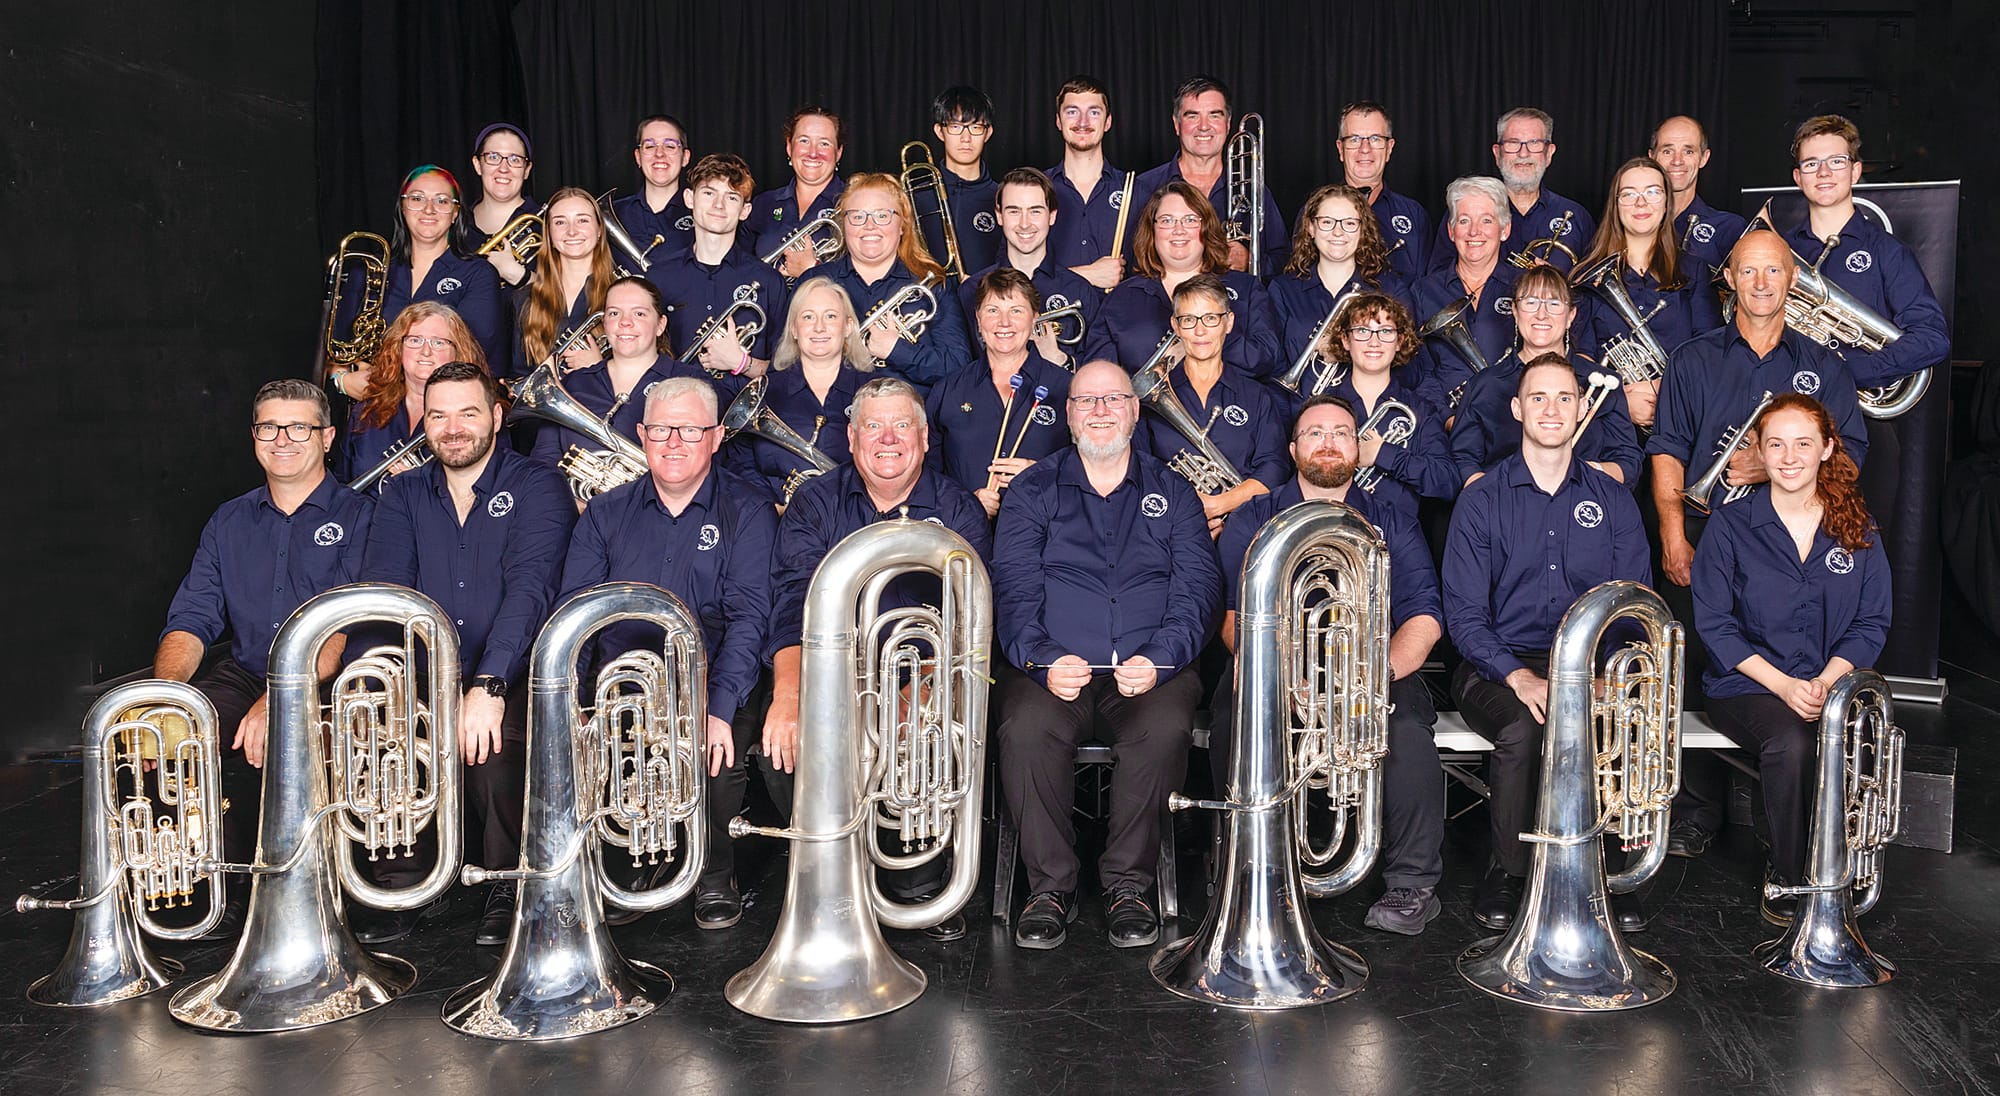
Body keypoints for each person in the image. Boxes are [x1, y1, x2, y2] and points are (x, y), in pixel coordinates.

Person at [1650, 228, 1870, 859]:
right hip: (1702, 535)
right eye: (1749, 271)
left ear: (1792, 281)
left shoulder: (1824, 366)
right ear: (1731, 280)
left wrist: (1768, 466)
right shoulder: (1693, 358)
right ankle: (1695, 810)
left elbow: (1849, 455)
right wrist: (1671, 533)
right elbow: (1666, 450)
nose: (1762, 282)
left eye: (1774, 271)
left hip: (1789, 543)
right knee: (1691, 673)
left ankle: (1790, 823)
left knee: (1772, 662)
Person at [992, 360, 1223, 950]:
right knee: (1022, 729)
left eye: (1113, 399)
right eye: (1087, 401)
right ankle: (1050, 887)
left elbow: (1198, 589)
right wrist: (1042, 659)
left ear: (1134, 410)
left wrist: (1162, 657)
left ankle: (1128, 885)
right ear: (1067, 414)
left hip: (1150, 670)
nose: (1100, 411)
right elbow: (1012, 589)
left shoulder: (1174, 493)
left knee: (1165, 728)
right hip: (1053, 672)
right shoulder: (1032, 491)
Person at [764, 377, 993, 941]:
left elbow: (973, 624)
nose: (887, 439)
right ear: (851, 437)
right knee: (782, 752)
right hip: (834, 680)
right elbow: (791, 600)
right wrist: (789, 698)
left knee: (932, 738)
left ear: (924, 438)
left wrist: (918, 699)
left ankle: (916, 872)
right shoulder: (816, 502)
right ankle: (835, 877)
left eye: (901, 426)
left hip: (932, 677)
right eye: (873, 426)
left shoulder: (956, 508)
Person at [360, 362, 576, 946]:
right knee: (383, 730)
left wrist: (488, 682)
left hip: (517, 668)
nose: (453, 428)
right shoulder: (402, 494)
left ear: (497, 417)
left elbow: (530, 588)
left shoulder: (537, 485)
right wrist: (413, 693)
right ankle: (406, 883)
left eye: (468, 412)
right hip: (427, 669)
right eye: (438, 415)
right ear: (423, 422)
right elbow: (389, 592)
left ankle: (508, 884)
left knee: (496, 743)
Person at [1214, 394, 1444, 934]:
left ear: (1358, 448)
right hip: (1274, 663)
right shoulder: (1256, 516)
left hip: (1373, 665)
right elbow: (1227, 617)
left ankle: (1412, 884)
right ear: (1294, 449)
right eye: (1315, 432)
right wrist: (1280, 674)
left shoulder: (1393, 520)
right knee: (1235, 722)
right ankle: (1242, 869)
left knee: (1407, 732)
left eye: (1341, 432)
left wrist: (1376, 674)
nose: (1328, 442)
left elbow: (1426, 616)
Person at [155, 379, 374, 937]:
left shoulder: (365, 517)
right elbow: (192, 619)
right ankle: (208, 891)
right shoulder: (229, 521)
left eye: (298, 427)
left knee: (279, 739)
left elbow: (343, 631)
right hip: (248, 668)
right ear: (254, 437)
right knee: (171, 736)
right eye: (269, 427)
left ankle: (306, 894)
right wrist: (166, 700)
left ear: (327, 437)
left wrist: (282, 695)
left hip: (328, 679)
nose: (282, 439)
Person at [557, 377, 776, 929]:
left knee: (716, 758)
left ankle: (713, 871)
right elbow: (575, 614)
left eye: (690, 429)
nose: (673, 442)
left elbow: (750, 618)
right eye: (659, 429)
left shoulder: (748, 512)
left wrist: (720, 708)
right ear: (641, 434)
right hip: (624, 680)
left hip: (718, 671)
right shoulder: (605, 514)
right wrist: (571, 702)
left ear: (717, 436)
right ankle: (634, 860)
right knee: (597, 745)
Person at [1443, 356, 1650, 932]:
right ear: (1517, 410)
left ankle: (1612, 871)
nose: (1552, 409)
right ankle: (1509, 871)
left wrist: (1609, 672)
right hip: (1497, 666)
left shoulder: (1613, 500)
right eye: (1539, 398)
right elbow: (1464, 615)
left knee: (1622, 719)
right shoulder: (1482, 500)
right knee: (1524, 729)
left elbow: (1632, 603)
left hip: (1593, 663)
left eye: (1565, 397)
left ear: (1583, 408)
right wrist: (1517, 676)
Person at [1691, 392, 1891, 924]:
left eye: (1803, 443)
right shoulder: (1730, 527)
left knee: (1841, 737)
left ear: (1827, 448)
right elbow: (1715, 625)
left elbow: (1871, 622)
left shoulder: (1858, 527)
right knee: (1790, 742)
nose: (1789, 456)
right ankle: (1791, 875)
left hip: (1830, 682)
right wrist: (1782, 686)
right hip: (1745, 686)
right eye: (1775, 444)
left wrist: (1826, 680)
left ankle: (1839, 863)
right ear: (1757, 450)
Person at [1781, 114, 1951, 523]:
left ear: (1855, 171)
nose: (1823, 173)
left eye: (1836, 161)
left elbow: (1933, 337)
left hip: (1861, 426)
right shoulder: (1779, 253)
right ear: (1797, 177)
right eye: (1811, 164)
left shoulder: (1888, 253)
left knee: (1859, 555)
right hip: (1784, 425)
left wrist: (1850, 371)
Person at [530, 277, 741, 497]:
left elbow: (711, 469)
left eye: (639, 313)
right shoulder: (574, 384)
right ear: (605, 324)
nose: (625, 322)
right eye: (614, 313)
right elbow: (545, 461)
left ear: (660, 325)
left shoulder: (694, 385)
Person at [1570, 157, 1725, 432]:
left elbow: (1710, 351)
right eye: (1629, 194)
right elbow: (1578, 361)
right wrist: (1619, 399)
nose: (1641, 203)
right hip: (1607, 429)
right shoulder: (1586, 277)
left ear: (1667, 203)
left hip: (1682, 422)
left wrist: (1661, 388)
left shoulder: (1695, 271)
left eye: (1652, 192)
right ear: (1615, 205)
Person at [1448, 265, 1641, 486]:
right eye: (1531, 302)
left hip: (1584, 505)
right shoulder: (1484, 385)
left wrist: (1585, 473)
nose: (1542, 314)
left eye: (1554, 303)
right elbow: (1462, 460)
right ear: (1515, 311)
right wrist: (1494, 499)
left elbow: (1629, 463)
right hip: (1505, 511)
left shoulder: (1603, 383)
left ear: (1571, 316)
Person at [1135, 274, 1286, 533]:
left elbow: (1274, 468)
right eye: (1189, 320)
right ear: (1175, 325)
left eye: (1211, 318)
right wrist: (1187, 515)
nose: (1200, 331)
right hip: (1168, 532)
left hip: (1244, 531)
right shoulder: (1150, 400)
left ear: (1228, 322)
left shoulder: (1255, 395)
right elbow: (1139, 472)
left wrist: (1217, 505)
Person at [1088, 181, 1281, 380]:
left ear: (1206, 227)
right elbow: (1099, 376)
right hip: (1144, 411)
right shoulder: (1121, 298)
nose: (1178, 230)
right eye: (1166, 220)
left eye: (1190, 220)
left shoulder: (1247, 289)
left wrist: (1212, 333)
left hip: (1229, 406)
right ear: (1152, 230)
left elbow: (1268, 359)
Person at [926, 268, 1074, 517]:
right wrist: (965, 503)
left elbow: (1093, 468)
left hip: (1046, 539)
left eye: (1016, 311)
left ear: (1035, 318)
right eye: (993, 310)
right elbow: (925, 476)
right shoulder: (947, 391)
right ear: (978, 319)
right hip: (968, 538)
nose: (1004, 322)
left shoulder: (1067, 388)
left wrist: (1043, 474)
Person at [1300, 292, 1461, 501]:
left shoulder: (1420, 410)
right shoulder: (1321, 409)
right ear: (1345, 340)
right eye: (1362, 331)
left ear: (1399, 341)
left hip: (1398, 532)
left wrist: (1384, 454)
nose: (1374, 342)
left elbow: (1448, 482)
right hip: (1332, 528)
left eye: (1385, 331)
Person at [727, 277, 872, 507]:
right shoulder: (764, 392)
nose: (819, 327)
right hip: (775, 520)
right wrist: (769, 507)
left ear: (848, 326)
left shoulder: (876, 392)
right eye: (808, 317)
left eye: (831, 316)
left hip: (856, 516)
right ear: (794, 329)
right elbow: (741, 464)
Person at [818, 173, 971, 389]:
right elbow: (787, 364)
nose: (869, 226)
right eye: (857, 216)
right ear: (844, 224)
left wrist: (896, 349)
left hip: (912, 417)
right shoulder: (816, 282)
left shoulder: (933, 285)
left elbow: (958, 368)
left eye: (882, 216)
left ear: (902, 225)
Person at [346, 164, 505, 367]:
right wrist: (342, 379)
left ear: (455, 213)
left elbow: (473, 354)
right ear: (402, 207)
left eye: (442, 201)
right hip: (368, 397)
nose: (429, 209)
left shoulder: (478, 274)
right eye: (417, 199)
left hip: (445, 395)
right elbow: (336, 349)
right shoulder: (367, 270)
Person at [646, 153, 790, 377]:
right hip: (676, 407)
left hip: (747, 409)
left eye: (732, 197)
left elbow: (787, 373)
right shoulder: (658, 277)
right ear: (689, 199)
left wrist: (741, 362)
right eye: (708, 193)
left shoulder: (768, 281)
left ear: (745, 211)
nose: (718, 205)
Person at [1132, 76, 1287, 276]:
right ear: (1176, 124)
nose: (1204, 126)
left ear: (1228, 123)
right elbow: (1131, 261)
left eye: (1215, 115)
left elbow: (1283, 258)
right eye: (1192, 116)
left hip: (1235, 303)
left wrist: (1250, 260)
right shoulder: (1144, 187)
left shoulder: (1253, 189)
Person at [1269, 185, 1412, 396]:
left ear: (1363, 230)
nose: (1338, 232)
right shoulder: (1283, 290)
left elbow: (1410, 367)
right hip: (1299, 413)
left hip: (1368, 412)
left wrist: (1342, 348)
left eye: (1349, 223)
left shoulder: (1390, 289)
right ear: (1310, 227)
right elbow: (1272, 365)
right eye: (1327, 222)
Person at [955, 167, 1102, 363]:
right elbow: (961, 368)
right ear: (999, 216)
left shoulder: (1080, 291)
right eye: (1014, 211)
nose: (1025, 224)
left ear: (1052, 216)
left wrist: (1059, 359)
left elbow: (1096, 375)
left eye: (1035, 211)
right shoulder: (971, 290)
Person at [335, 301, 487, 484]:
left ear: (457, 351)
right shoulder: (366, 412)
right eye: (415, 340)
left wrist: (423, 485)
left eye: (438, 342)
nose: (425, 352)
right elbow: (342, 484)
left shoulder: (480, 418)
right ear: (398, 349)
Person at [1427, 108, 1594, 274]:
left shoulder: (1577, 217)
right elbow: (1438, 280)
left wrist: (1553, 285)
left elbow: (1588, 289)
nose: (1523, 153)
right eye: (1513, 143)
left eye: (1534, 143)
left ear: (1549, 153)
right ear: (1497, 153)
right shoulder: (1465, 210)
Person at [1408, 176, 1521, 408]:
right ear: (1451, 231)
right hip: (1443, 423)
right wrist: (1447, 419)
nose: (1474, 232)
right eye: (1464, 221)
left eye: (1487, 220)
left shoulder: (1525, 286)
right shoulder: (1423, 291)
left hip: (1514, 418)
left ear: (1505, 229)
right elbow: (1418, 371)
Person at [512, 186, 616, 380]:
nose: (572, 231)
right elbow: (521, 373)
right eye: (560, 222)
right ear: (549, 234)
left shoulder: (623, 293)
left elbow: (642, 372)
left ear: (600, 230)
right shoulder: (525, 298)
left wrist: (599, 366)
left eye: (583, 220)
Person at [1045, 75, 1135, 290]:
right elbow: (1017, 274)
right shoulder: (1036, 190)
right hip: (1051, 320)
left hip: (1116, 321)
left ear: (1108, 122)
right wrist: (1085, 275)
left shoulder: (1135, 191)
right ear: (1058, 121)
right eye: (1072, 112)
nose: (1083, 122)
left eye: (1094, 112)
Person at [748, 106, 847, 280]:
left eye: (824, 143)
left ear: (838, 152)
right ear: (789, 147)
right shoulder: (763, 203)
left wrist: (811, 269)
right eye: (804, 141)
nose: (813, 153)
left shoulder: (854, 203)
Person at [1335, 101, 1431, 281]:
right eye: (1354, 139)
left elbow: (1424, 289)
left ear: (1389, 148)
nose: (1365, 149)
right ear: (1341, 149)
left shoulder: (1415, 215)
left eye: (1375, 139)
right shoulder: (1315, 212)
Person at [1649, 115, 1747, 276]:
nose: (1677, 161)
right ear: (1652, 157)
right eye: (1667, 151)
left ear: (1703, 158)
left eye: (1688, 151)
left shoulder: (1730, 228)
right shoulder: (1633, 223)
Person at [921, 86, 1002, 275]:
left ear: (987, 133)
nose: (966, 138)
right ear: (940, 132)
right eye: (955, 127)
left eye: (975, 127)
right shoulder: (916, 196)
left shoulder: (1002, 197)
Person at [609, 114, 695, 267]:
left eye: (670, 146)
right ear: (638, 157)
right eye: (649, 146)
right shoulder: (615, 212)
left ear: (685, 157)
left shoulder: (704, 212)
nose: (659, 154)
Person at [467, 122, 539, 289]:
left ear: (527, 170)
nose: (503, 168)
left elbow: (568, 297)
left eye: (515, 159)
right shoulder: (456, 224)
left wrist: (520, 276)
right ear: (478, 164)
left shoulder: (546, 222)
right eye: (493, 157)